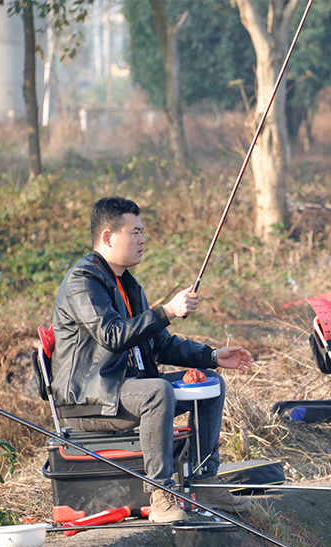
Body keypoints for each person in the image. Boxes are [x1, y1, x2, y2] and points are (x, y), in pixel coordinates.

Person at [52, 196, 254, 523]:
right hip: (91, 397)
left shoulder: (129, 284)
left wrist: (213, 357)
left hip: (126, 388)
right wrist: (168, 311)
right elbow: (113, 335)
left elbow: (159, 344)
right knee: (157, 391)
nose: (142, 239)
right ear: (107, 237)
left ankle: (203, 480)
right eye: (134, 232)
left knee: (212, 384)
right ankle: (161, 493)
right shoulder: (83, 282)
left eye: (141, 231)